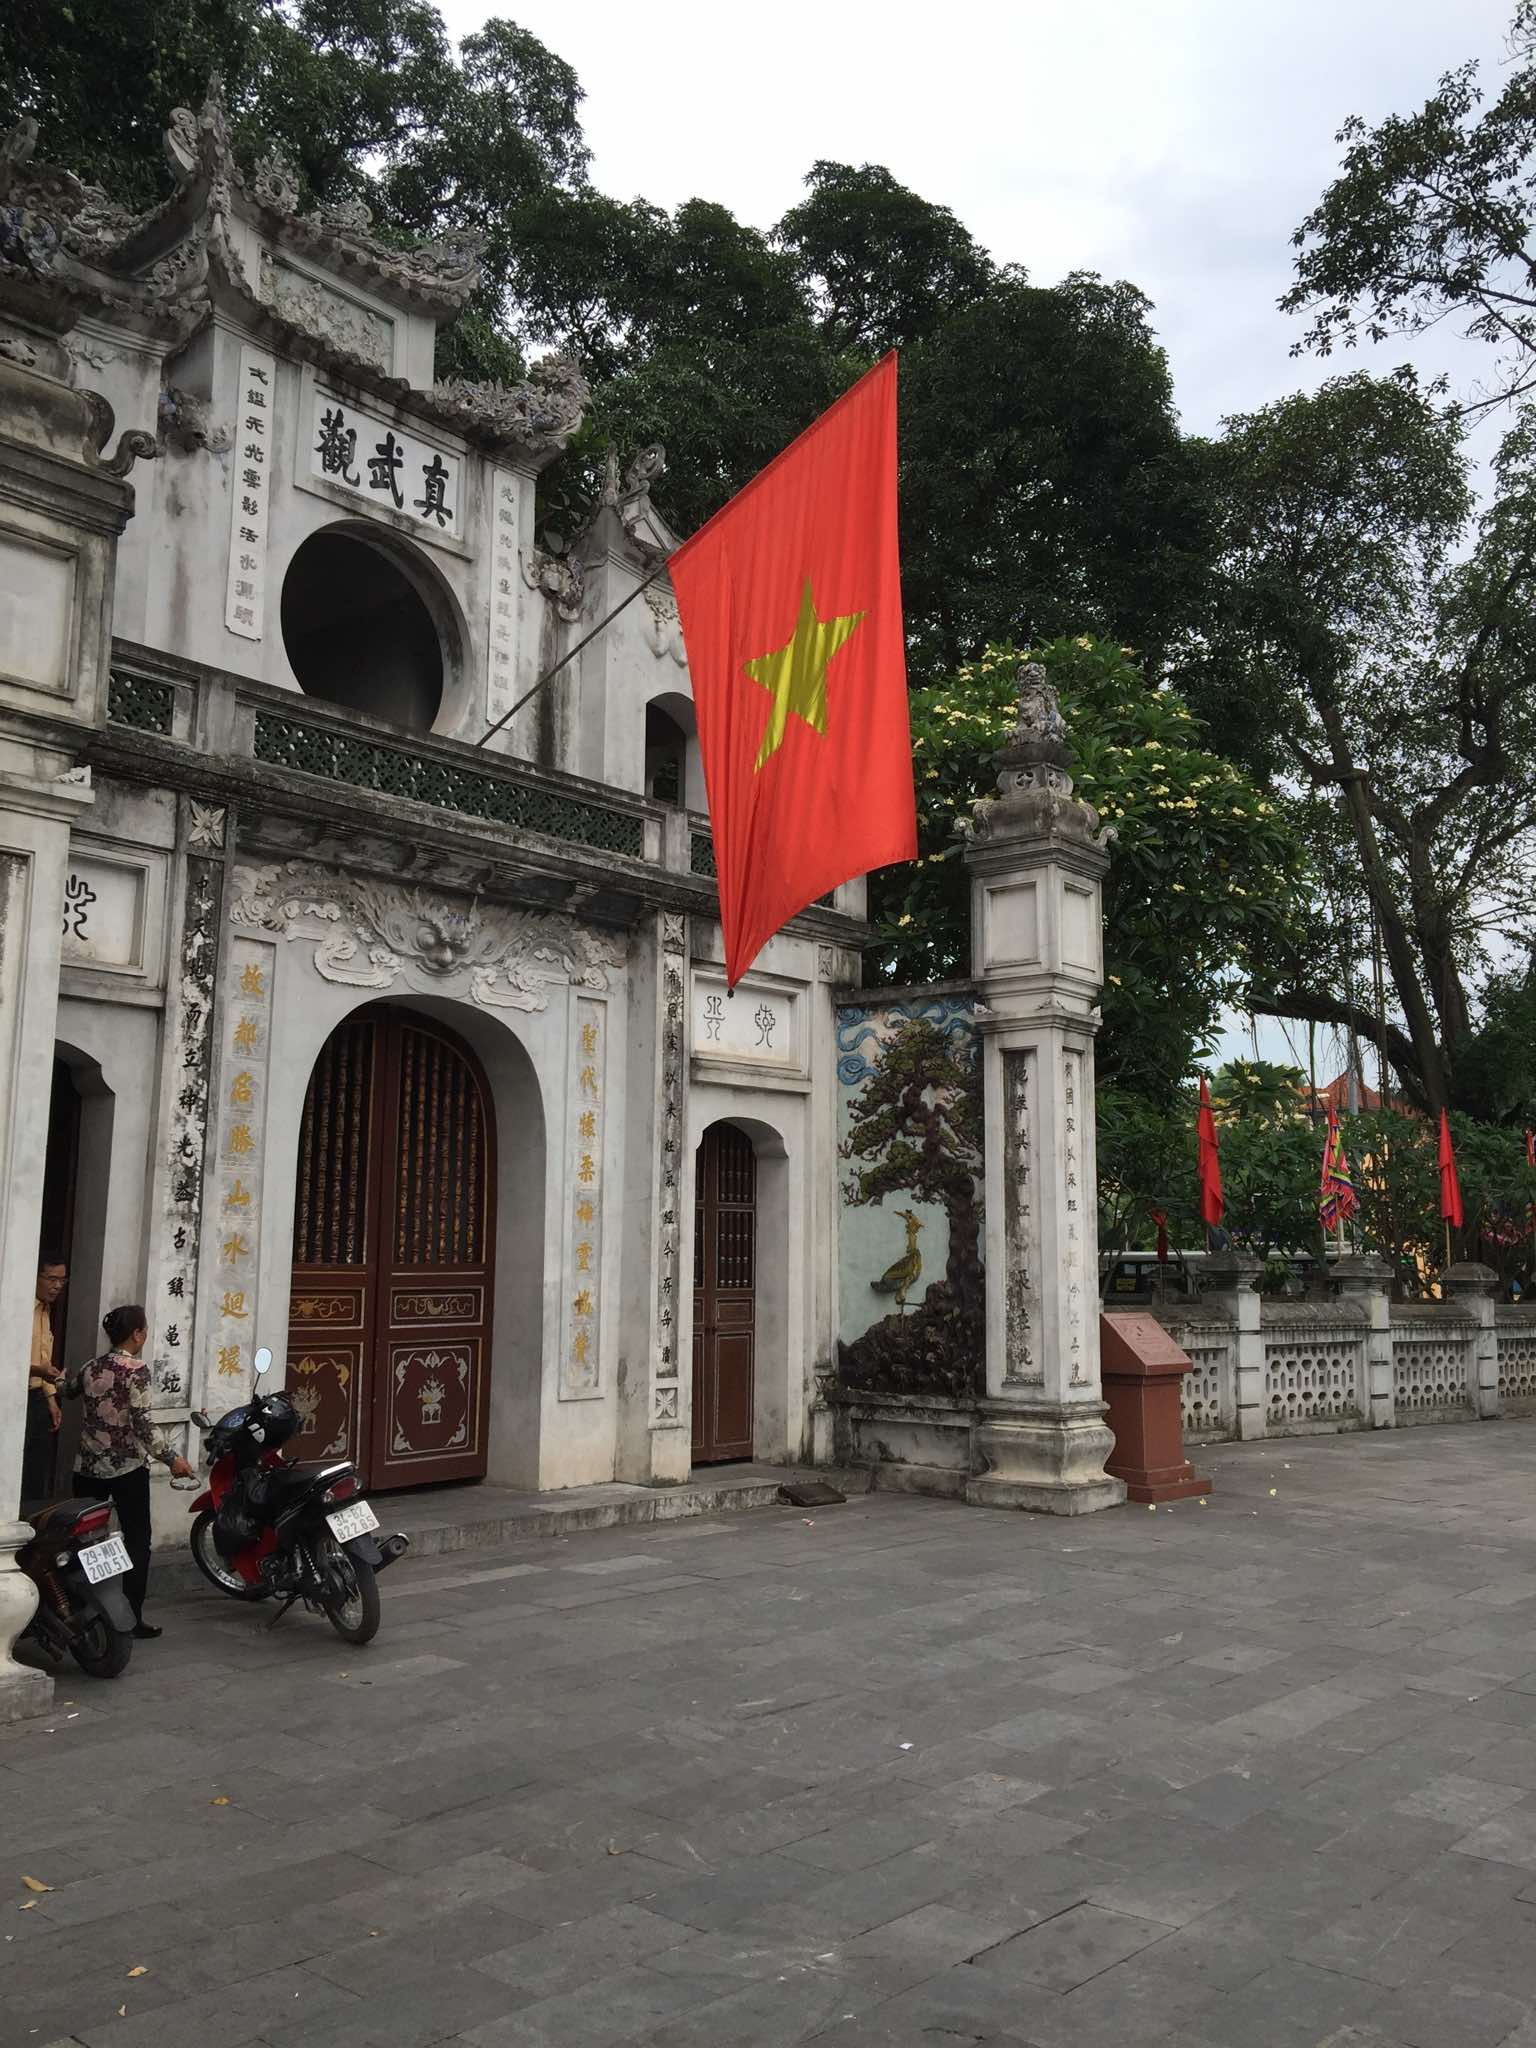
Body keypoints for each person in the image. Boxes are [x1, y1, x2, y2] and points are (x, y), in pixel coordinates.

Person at [67, 1306, 193, 1639]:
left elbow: (68, 1390)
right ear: (137, 1334)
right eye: (145, 1329)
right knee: (137, 1541)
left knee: (86, 1542)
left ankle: (84, 1610)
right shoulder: (136, 1370)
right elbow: (142, 1423)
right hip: (127, 1469)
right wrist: (171, 1458)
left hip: (87, 1468)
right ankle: (132, 1617)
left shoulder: (91, 1367)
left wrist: (55, 1380)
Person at [21, 1258, 67, 1507]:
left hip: (37, 1395)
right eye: (52, 1279)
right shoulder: (18, 1307)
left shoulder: (45, 1310)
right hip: (14, 1394)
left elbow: (43, 1356)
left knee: (36, 1465)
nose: (57, 1286)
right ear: (35, 1277)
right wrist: (37, 1370)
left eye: (62, 1280)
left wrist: (51, 1399)